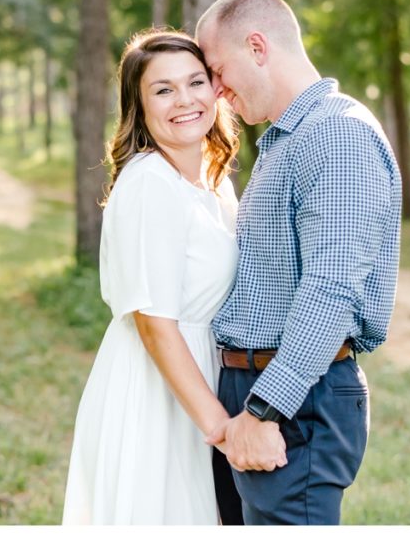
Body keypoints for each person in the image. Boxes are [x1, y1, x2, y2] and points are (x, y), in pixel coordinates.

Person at [195, 0, 402, 525]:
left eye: (218, 71)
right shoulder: (289, 138)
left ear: (258, 47)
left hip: (294, 402)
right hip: (260, 390)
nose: (215, 92)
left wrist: (266, 408)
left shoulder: (335, 136)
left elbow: (331, 290)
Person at [62, 29, 279, 525]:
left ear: (215, 89)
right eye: (163, 90)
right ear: (139, 107)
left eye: (195, 82)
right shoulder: (148, 184)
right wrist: (222, 431)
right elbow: (155, 326)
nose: (185, 100)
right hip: (159, 389)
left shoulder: (214, 180)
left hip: (205, 374)